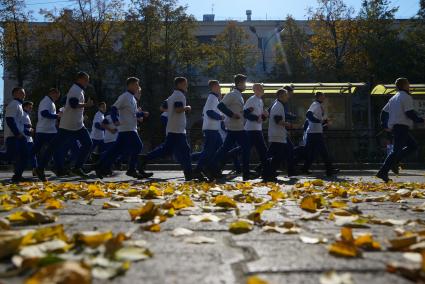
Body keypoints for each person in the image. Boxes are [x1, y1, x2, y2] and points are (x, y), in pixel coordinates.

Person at [35, 71, 94, 181]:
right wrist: (87, 105)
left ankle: (77, 167)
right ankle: (41, 168)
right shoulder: (76, 89)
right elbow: (73, 104)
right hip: (68, 125)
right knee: (53, 147)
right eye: (86, 79)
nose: (87, 82)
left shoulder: (78, 89)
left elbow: (66, 102)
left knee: (88, 144)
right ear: (80, 79)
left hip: (77, 124)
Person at [139, 77, 199, 181]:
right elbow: (178, 109)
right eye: (185, 84)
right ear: (179, 85)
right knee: (184, 151)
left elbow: (163, 107)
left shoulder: (172, 96)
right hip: (177, 129)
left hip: (174, 128)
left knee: (166, 150)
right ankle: (189, 174)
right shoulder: (180, 95)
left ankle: (144, 159)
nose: (187, 86)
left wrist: (171, 111)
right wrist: (187, 107)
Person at [95, 77, 152, 179]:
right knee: (138, 145)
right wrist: (115, 119)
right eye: (136, 85)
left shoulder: (132, 98)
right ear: (130, 85)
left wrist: (142, 113)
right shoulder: (124, 96)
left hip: (129, 128)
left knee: (115, 150)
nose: (138, 87)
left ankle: (99, 166)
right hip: (127, 128)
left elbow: (133, 114)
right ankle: (131, 169)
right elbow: (113, 108)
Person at [207, 74, 256, 181]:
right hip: (235, 127)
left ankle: (211, 166)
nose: (245, 86)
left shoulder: (238, 95)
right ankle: (246, 174)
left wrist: (247, 111)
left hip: (236, 127)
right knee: (246, 147)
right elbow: (220, 106)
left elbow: (238, 112)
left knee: (225, 149)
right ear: (239, 84)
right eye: (244, 84)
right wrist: (232, 115)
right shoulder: (233, 94)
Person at [376, 77, 424, 182]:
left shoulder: (393, 98)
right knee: (397, 150)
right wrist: (420, 120)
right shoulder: (406, 97)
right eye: (408, 84)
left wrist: (384, 124)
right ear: (404, 85)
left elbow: (384, 112)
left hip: (396, 127)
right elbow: (409, 113)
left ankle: (393, 163)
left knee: (412, 146)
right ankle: (383, 171)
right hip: (401, 127)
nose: (409, 86)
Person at [302, 92, 339, 176]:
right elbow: (308, 114)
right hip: (315, 133)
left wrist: (324, 123)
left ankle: (304, 168)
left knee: (312, 152)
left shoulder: (318, 105)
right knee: (323, 152)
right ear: (319, 97)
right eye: (323, 96)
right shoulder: (315, 104)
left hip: (314, 132)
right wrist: (319, 121)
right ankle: (329, 170)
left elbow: (317, 119)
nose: (324, 98)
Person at [194, 80, 224, 176]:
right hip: (211, 129)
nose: (220, 88)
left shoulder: (214, 98)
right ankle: (198, 170)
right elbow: (209, 112)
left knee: (217, 150)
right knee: (209, 151)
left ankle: (213, 169)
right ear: (214, 87)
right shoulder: (212, 98)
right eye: (219, 86)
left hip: (214, 129)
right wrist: (220, 117)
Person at [262, 89, 292, 181]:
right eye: (286, 95)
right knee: (277, 156)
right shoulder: (278, 106)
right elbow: (278, 121)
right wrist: (289, 124)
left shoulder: (278, 105)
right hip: (277, 135)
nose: (288, 97)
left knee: (273, 155)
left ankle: (267, 173)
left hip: (277, 135)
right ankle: (268, 174)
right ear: (281, 96)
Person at [1, 87, 28, 182]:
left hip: (20, 136)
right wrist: (17, 133)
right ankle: (17, 175)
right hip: (13, 136)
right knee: (9, 156)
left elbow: (19, 122)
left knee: (24, 155)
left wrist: (26, 131)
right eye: (21, 93)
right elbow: (10, 120)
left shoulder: (20, 105)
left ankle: (17, 176)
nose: (23, 95)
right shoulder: (14, 104)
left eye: (24, 93)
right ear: (14, 94)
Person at [32, 88, 63, 175]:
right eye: (57, 95)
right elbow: (44, 113)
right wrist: (57, 116)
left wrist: (56, 118)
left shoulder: (50, 102)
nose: (57, 97)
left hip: (48, 130)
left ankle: (58, 169)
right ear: (52, 93)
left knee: (54, 149)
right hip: (44, 130)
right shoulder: (46, 101)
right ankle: (37, 167)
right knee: (36, 150)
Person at [244, 83, 268, 174]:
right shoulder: (251, 100)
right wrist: (257, 118)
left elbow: (260, 118)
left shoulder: (260, 100)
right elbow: (245, 114)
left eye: (262, 88)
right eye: (260, 88)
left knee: (261, 150)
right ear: (255, 90)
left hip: (257, 129)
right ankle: (265, 170)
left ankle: (264, 170)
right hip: (251, 130)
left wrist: (265, 116)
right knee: (261, 150)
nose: (262, 89)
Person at [22, 101, 37, 174]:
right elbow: (21, 125)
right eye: (29, 107)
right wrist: (28, 131)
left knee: (32, 154)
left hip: (29, 139)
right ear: (25, 107)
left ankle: (35, 169)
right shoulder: (22, 114)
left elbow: (26, 126)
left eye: (31, 107)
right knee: (27, 155)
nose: (31, 109)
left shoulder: (27, 115)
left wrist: (31, 129)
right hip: (25, 138)